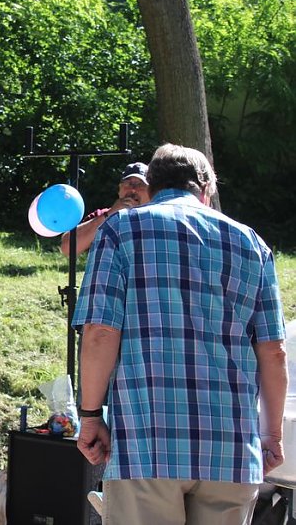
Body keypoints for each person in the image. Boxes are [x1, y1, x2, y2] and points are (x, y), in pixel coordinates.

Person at [73, 143, 287, 525]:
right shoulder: (253, 244)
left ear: (151, 186)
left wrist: (90, 416)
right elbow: (273, 353)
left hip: (146, 444)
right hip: (232, 451)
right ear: (206, 188)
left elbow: (100, 333)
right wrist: (271, 435)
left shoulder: (120, 230)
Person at [60, 162, 151, 257]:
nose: (133, 190)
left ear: (151, 192)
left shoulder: (157, 219)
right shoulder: (102, 215)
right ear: (119, 189)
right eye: (128, 184)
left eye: (140, 184)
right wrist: (110, 214)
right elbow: (67, 249)